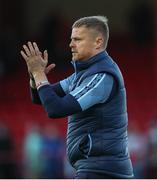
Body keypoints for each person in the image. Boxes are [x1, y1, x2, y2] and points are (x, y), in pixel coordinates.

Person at [20, 15, 134, 179]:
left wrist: (39, 74)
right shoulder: (82, 74)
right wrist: (35, 76)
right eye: (71, 39)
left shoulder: (102, 76)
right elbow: (40, 97)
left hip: (103, 170)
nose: (70, 44)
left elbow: (56, 109)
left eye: (77, 39)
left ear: (98, 42)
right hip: (97, 168)